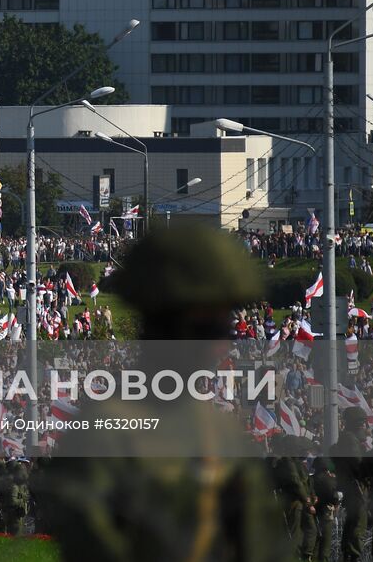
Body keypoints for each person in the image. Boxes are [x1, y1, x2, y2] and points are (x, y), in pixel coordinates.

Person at [37, 224, 294, 562]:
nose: (221, 346)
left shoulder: (220, 431)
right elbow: (88, 540)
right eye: (207, 329)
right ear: (162, 326)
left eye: (225, 328)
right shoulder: (107, 429)